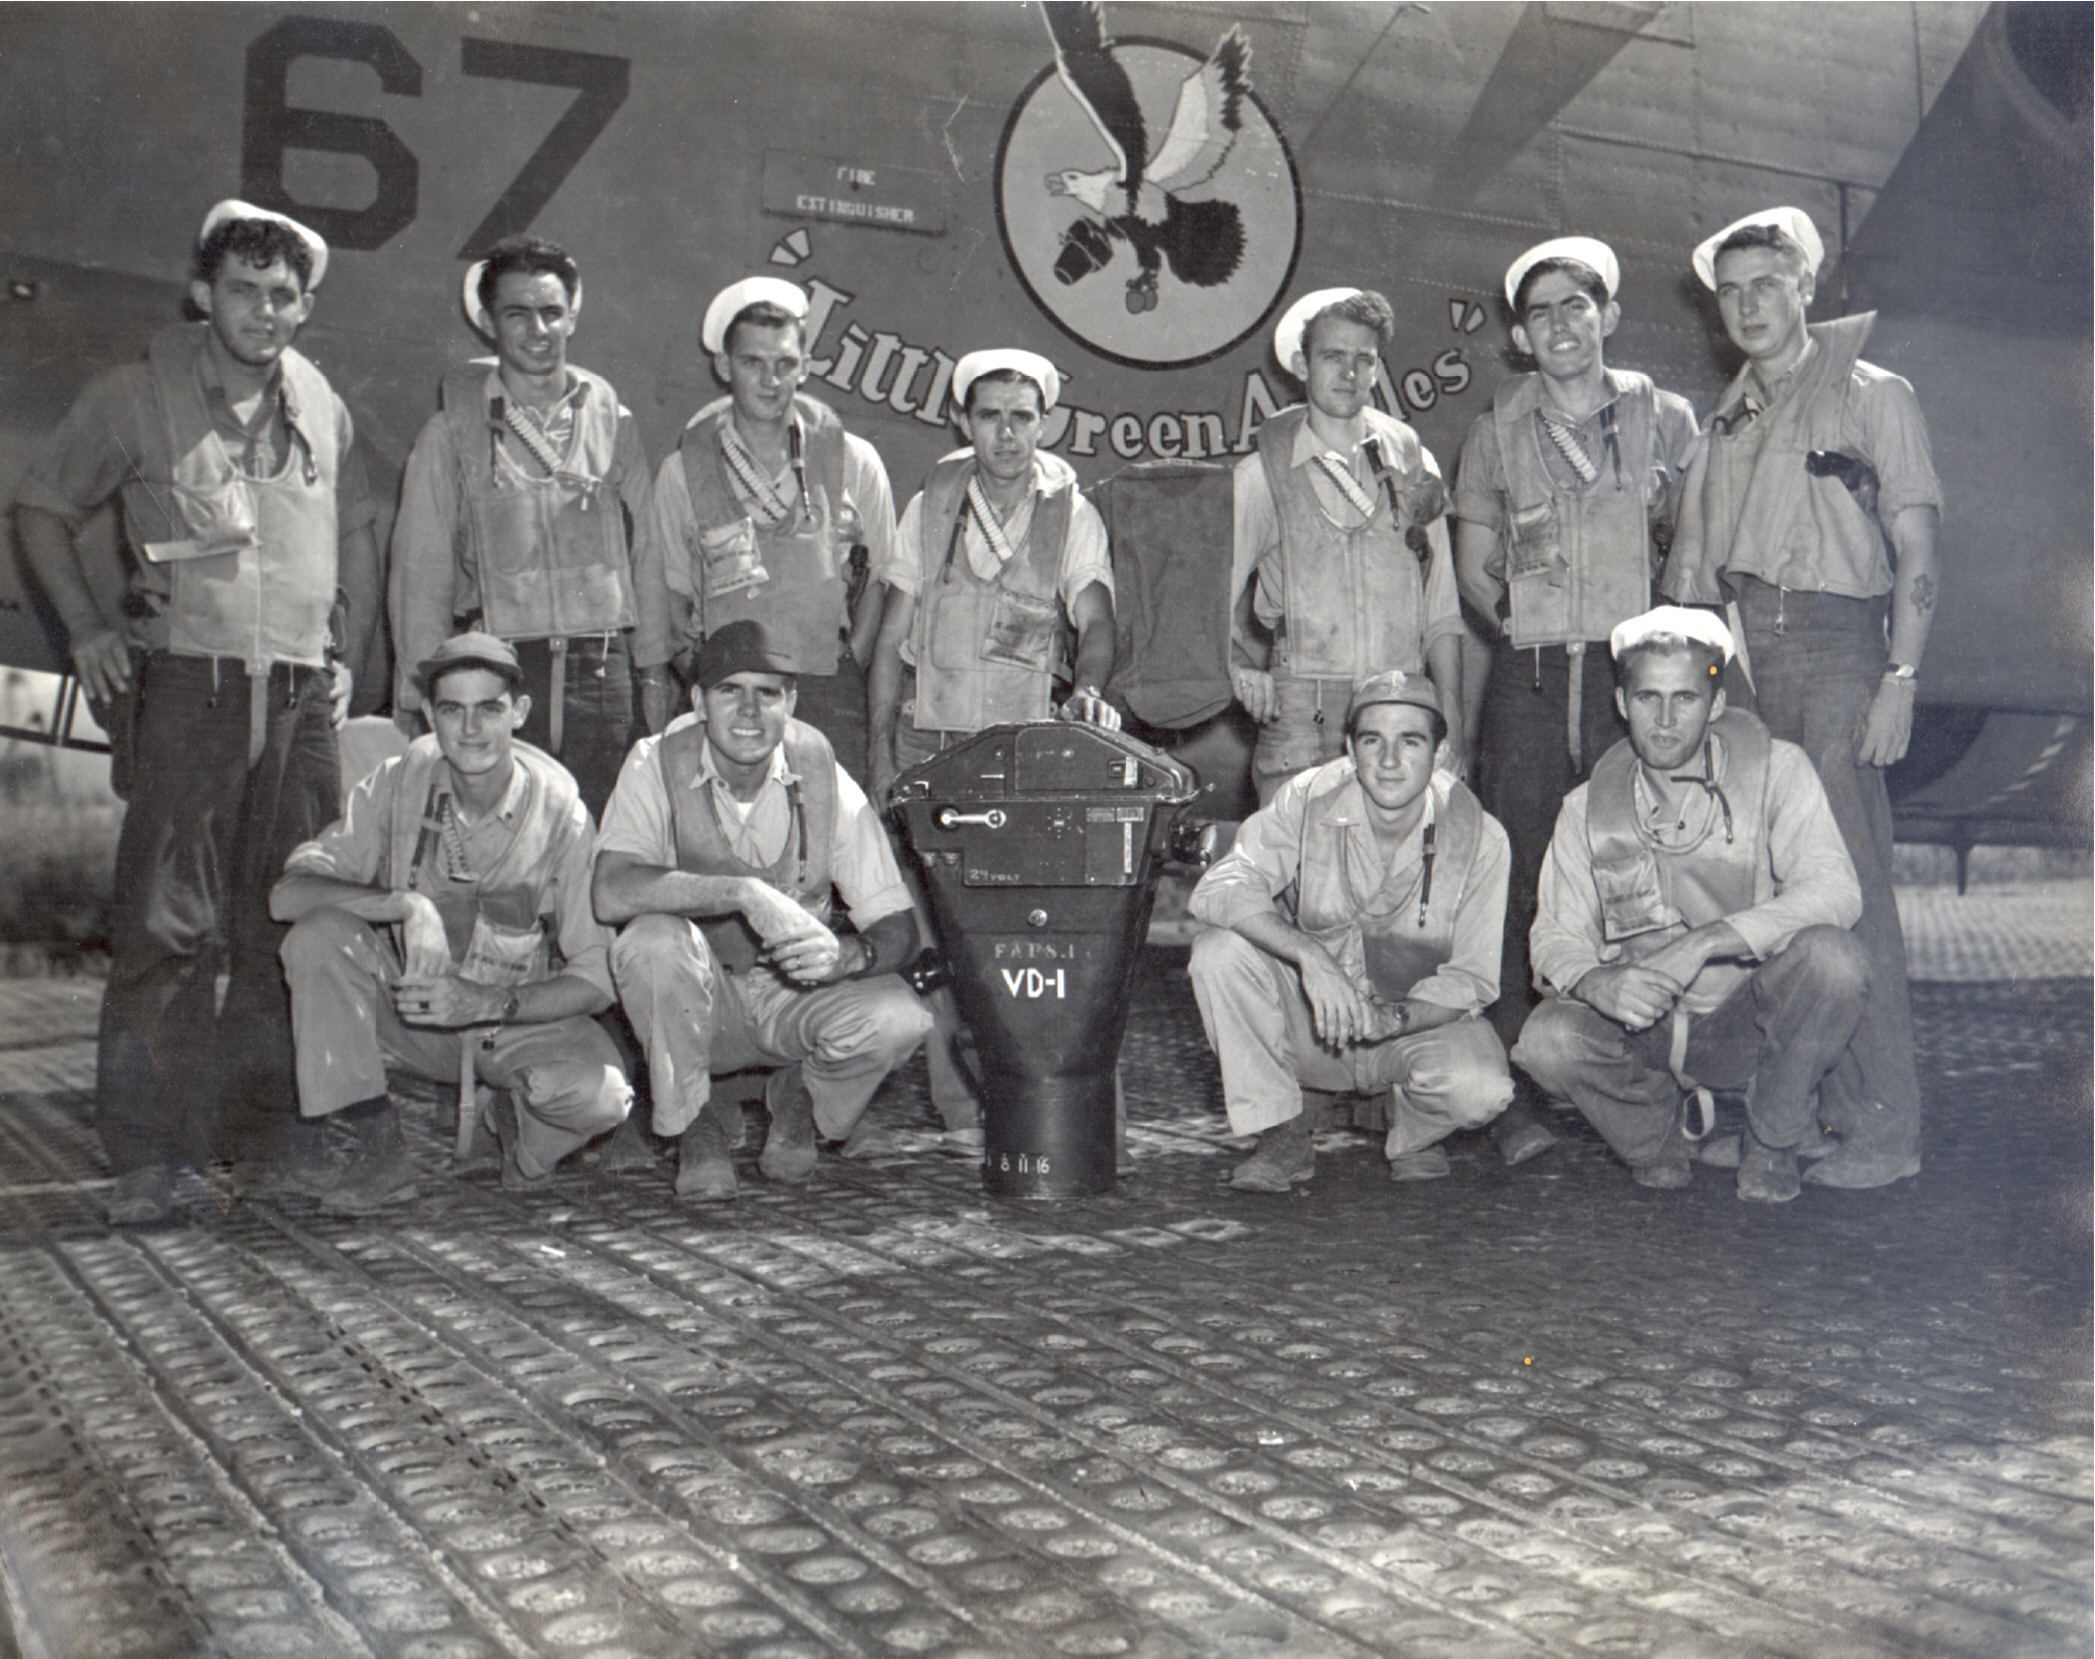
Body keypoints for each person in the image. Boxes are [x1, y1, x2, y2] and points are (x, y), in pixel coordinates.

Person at [13, 200, 379, 1224]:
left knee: (283, 924)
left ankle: (263, 1144)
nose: (265, 311)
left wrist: (335, 642)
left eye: (283, 295)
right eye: (244, 291)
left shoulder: (321, 404)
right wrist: (85, 628)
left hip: (297, 697)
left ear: (305, 307)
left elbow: (344, 530)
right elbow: (40, 508)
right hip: (189, 689)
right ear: (201, 294)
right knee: (167, 931)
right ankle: (149, 1156)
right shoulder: (135, 398)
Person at [1661, 206, 1936, 1189]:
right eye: (1730, 291)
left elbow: (1915, 549)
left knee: (1850, 894)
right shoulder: (1724, 420)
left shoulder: (1873, 395)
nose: (1746, 305)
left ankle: (1882, 1131)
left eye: (1765, 284)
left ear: (1805, 288)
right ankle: (1800, 1111)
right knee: (1774, 894)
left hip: (1835, 651)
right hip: (1745, 663)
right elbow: (1693, 573)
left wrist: (1898, 677)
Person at [1452, 237, 1701, 1168]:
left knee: (1640, 871)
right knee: (1515, 872)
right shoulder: (1495, 430)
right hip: (1530, 676)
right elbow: (1475, 561)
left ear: (1609, 317)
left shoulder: (1665, 418)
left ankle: (1643, 1074)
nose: (1561, 325)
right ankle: (1513, 1098)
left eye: (1577, 306)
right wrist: (1512, 608)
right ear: (1519, 335)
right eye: (1542, 312)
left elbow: (1694, 541)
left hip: (1629, 677)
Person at [1513, 608, 1869, 1203]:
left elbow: (1838, 891)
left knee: (1835, 961)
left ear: (1718, 703)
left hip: (1746, 1019)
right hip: (1643, 1026)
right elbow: (1552, 939)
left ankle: (1773, 1138)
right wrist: (1599, 982)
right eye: (1648, 698)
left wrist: (1706, 941)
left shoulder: (1778, 771)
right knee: (1545, 1040)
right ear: (1622, 702)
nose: (1666, 720)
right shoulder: (1585, 807)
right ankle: (1656, 1140)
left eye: (1686, 698)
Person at [272, 633, 631, 1211]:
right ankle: (378, 1148)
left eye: (490, 709)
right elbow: (289, 894)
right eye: (451, 710)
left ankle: (521, 1139)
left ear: (519, 712)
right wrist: (405, 906)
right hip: (417, 1018)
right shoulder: (399, 782)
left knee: (602, 1098)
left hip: (513, 1023)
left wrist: (489, 1002)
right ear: (429, 715)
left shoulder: (562, 810)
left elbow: (598, 976)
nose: (470, 730)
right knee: (317, 940)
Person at [865, 348, 1121, 1143]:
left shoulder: (1069, 510)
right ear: (962, 422)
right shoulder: (932, 502)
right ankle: (959, 1109)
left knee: (1023, 937)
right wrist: (879, 750)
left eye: (1021, 416)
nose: (1006, 433)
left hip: (1019, 763)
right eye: (989, 415)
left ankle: (1029, 1101)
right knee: (941, 939)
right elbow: (889, 642)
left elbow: (1099, 618)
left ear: (1044, 424)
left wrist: (1089, 683)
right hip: (931, 747)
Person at [595, 620, 932, 1200]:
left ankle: (800, 1094)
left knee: (902, 1017)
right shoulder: (656, 761)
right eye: (729, 691)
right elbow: (612, 890)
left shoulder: (822, 769)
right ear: (698, 701)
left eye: (768, 693)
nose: (749, 711)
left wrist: (851, 954)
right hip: (701, 997)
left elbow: (898, 923)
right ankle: (693, 1126)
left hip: (790, 993)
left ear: (791, 702)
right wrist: (743, 893)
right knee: (649, 941)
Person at [1188, 669, 1515, 1190]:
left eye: (1410, 741)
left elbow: (1471, 979)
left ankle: (1411, 1133)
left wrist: (1395, 1020)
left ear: (1441, 752)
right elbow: (1221, 887)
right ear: (1349, 746)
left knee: (1481, 1089)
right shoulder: (1308, 796)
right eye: (1372, 740)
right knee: (1219, 954)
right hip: (1321, 1022)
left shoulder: (1480, 836)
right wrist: (1310, 959)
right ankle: (1285, 1132)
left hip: (1409, 1027)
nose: (1388, 761)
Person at [389, 234, 676, 816]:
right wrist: (420, 689)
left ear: (572, 316)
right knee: (498, 838)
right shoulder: (450, 433)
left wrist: (652, 673)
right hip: (497, 670)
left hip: (602, 672)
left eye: (551, 313)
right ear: (489, 323)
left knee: (598, 836)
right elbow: (423, 573)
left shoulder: (613, 425)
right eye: (517, 314)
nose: (537, 330)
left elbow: (647, 555)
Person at [651, 277, 897, 781]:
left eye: (785, 363)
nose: (770, 380)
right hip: (727, 692)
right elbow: (670, 598)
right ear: (724, 366)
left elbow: (880, 583)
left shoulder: (855, 460)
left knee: (825, 841)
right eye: (752, 363)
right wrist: (706, 682)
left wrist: (849, 663)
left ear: (804, 367)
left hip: (826, 687)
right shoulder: (683, 471)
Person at [1226, 287, 1465, 803]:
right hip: (1300, 720)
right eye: (1333, 356)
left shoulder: (1415, 467)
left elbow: (1442, 612)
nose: (1349, 372)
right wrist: (1238, 665)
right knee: (1301, 876)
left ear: (1378, 369)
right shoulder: (1260, 476)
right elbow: (1208, 606)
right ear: (1301, 364)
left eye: (1365, 359)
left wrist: (1452, 719)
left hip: (1399, 712)